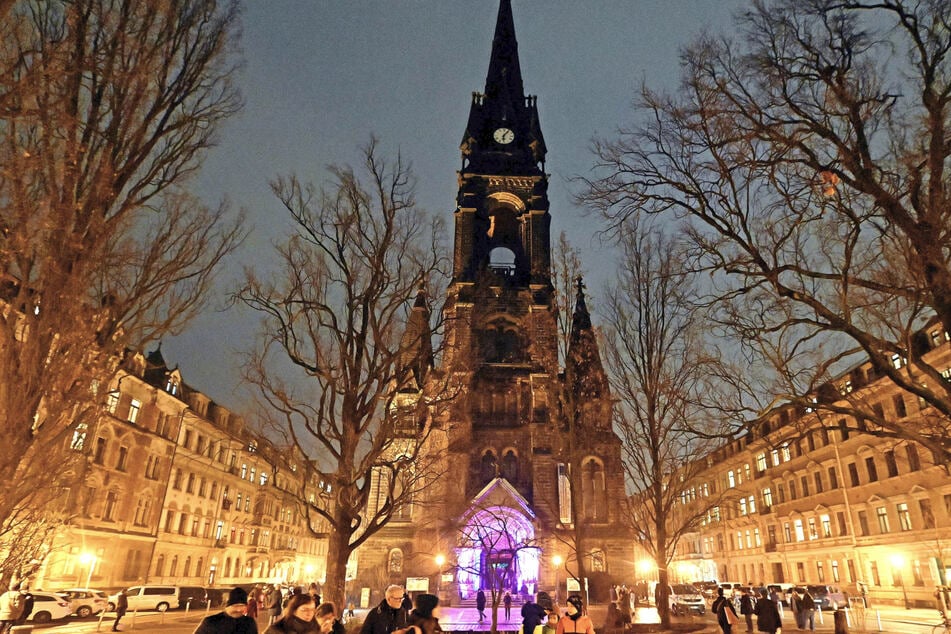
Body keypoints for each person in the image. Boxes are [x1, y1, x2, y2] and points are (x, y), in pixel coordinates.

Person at [194, 587, 259, 634]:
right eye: (235, 606)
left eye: (242, 606)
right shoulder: (211, 621)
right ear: (227, 606)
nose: (238, 609)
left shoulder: (249, 623)